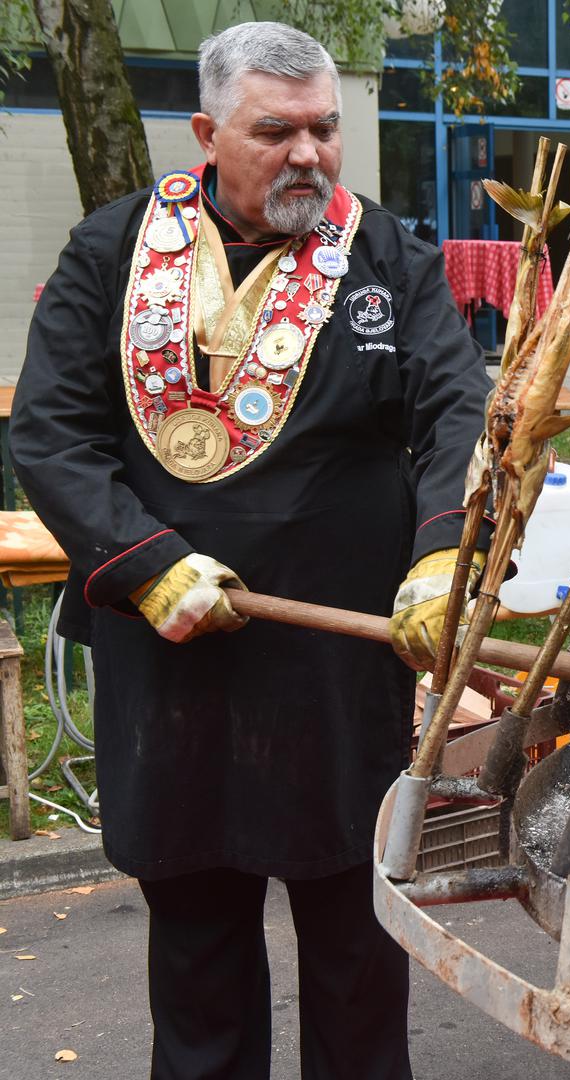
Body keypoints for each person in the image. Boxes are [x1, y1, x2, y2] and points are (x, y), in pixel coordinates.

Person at [12, 22, 491, 1080]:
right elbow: (51, 431)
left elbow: (457, 408)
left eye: (326, 128)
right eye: (276, 133)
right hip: (173, 652)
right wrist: (142, 562)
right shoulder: (110, 247)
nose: (310, 154)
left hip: (339, 659)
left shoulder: (387, 254)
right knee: (195, 937)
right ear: (208, 132)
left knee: (358, 935)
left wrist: (442, 550)